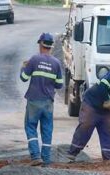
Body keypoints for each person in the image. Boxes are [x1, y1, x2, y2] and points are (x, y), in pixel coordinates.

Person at [20, 33, 64, 166]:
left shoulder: (34, 60)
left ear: (40, 44)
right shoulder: (56, 63)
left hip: (34, 100)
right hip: (48, 102)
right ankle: (45, 159)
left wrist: (23, 67)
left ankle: (35, 156)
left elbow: (23, 78)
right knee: (47, 129)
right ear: (51, 46)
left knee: (30, 126)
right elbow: (59, 84)